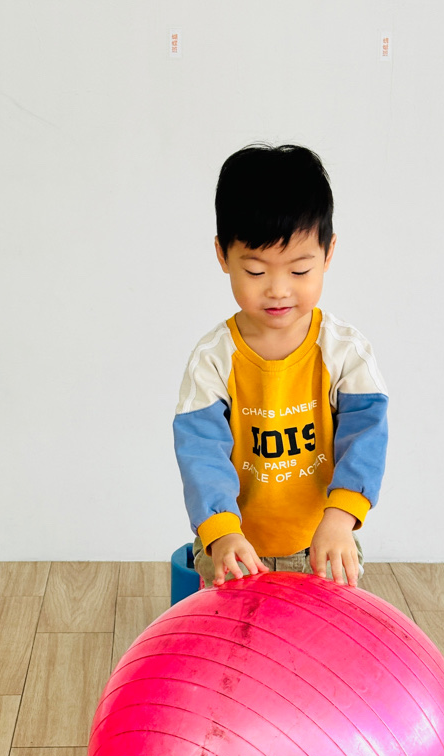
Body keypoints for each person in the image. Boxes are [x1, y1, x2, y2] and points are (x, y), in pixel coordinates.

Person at [173, 144, 388, 588]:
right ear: (222, 255)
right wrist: (221, 532)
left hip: (321, 540)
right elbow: (201, 453)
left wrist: (341, 518)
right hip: (234, 544)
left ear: (328, 253)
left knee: (326, 628)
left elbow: (365, 439)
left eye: (299, 270)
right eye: (255, 272)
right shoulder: (213, 359)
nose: (277, 289)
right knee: (231, 628)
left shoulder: (344, 351)